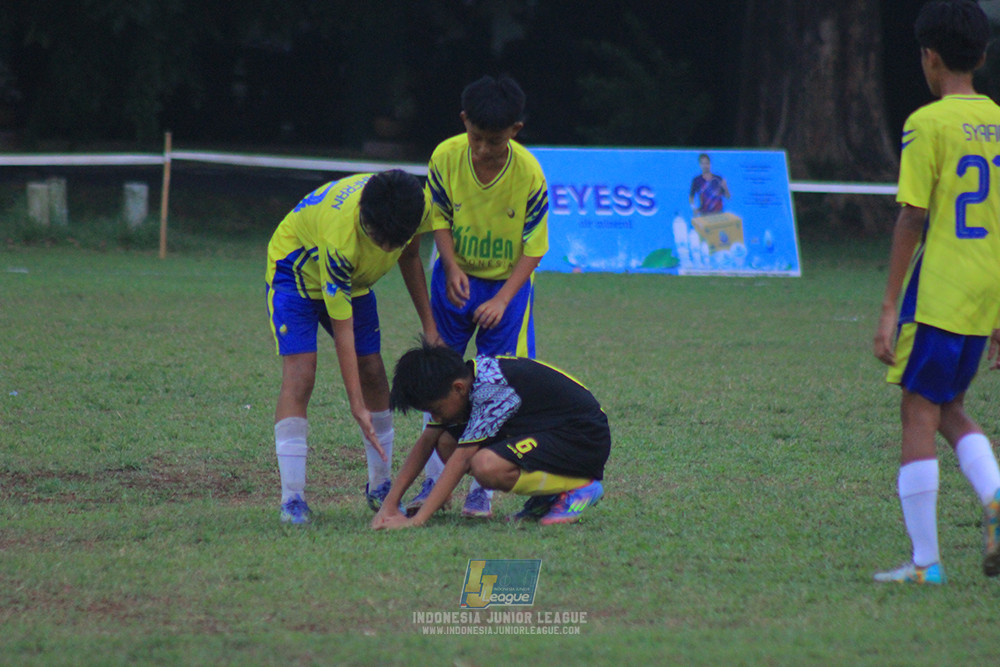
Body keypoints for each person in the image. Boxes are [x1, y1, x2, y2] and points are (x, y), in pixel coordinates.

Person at [872, 0, 1000, 584]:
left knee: (917, 410)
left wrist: (889, 305)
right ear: (982, 54)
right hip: (984, 291)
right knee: (947, 406)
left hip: (940, 290)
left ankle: (926, 562)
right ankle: (993, 497)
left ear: (929, 57)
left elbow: (913, 216)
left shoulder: (927, 123)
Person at [408, 75, 550, 519]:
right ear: (464, 121)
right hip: (454, 281)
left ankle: (480, 491)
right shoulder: (445, 157)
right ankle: (434, 479)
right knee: (440, 379)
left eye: (495, 141)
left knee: (496, 384)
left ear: (515, 130)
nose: (484, 149)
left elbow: (535, 247)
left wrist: (503, 300)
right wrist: (450, 267)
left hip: (505, 289)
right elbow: (438, 217)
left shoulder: (529, 173)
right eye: (476, 138)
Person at [265, 169, 440, 524]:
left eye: (394, 240)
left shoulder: (416, 206)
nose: (386, 248)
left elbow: (410, 257)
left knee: (373, 369)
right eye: (379, 238)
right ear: (364, 216)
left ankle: (380, 485)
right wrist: (356, 405)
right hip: (295, 272)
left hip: (354, 282)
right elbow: (343, 331)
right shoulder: (340, 237)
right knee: (301, 375)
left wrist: (430, 326)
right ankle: (292, 499)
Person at [370, 339, 610, 530]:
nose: (436, 417)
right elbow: (426, 441)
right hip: (548, 430)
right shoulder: (465, 380)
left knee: (486, 466)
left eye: (436, 410)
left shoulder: (490, 390)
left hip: (583, 436)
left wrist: (416, 521)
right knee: (445, 440)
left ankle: (582, 487)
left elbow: (463, 459)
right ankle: (549, 496)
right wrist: (389, 506)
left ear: (458, 388)